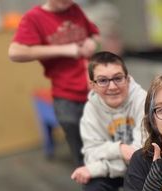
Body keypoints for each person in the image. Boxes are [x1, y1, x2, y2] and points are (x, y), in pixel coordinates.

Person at [8, 0, 100, 167]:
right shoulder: (34, 18)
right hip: (67, 97)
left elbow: (93, 34)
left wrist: (92, 42)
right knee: (85, 157)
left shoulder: (74, 9)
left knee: (107, 147)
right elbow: (15, 52)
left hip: (94, 91)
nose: (68, 3)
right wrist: (65, 49)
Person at [70, 51, 146, 191]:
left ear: (127, 78)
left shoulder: (143, 101)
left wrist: (96, 168)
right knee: (93, 187)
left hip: (143, 171)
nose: (112, 86)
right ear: (93, 85)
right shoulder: (91, 110)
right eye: (103, 81)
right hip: (113, 168)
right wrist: (120, 149)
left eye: (118, 78)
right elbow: (91, 153)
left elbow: (140, 157)